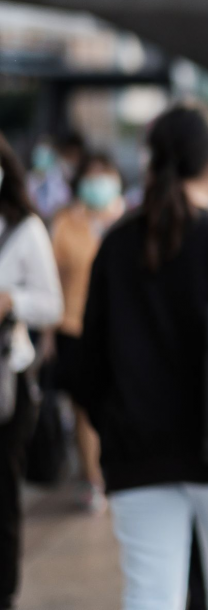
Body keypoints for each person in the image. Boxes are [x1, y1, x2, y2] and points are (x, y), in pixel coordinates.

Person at [61, 103, 208, 610]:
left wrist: (112, 421)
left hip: (138, 452)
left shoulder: (118, 247)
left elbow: (87, 360)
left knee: (150, 595)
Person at [0, 132, 63, 610]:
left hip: (7, 378)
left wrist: (11, 301)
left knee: (2, 489)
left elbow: (51, 306)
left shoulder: (23, 230)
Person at [49, 152, 126, 514]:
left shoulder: (128, 220)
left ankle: (117, 466)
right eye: (92, 177)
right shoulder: (65, 225)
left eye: (105, 176)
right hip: (74, 326)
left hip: (119, 327)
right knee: (84, 407)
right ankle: (92, 477)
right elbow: (50, 278)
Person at [27, 132, 84, 221]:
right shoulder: (28, 179)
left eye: (47, 151)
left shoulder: (61, 178)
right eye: (40, 151)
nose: (43, 155)